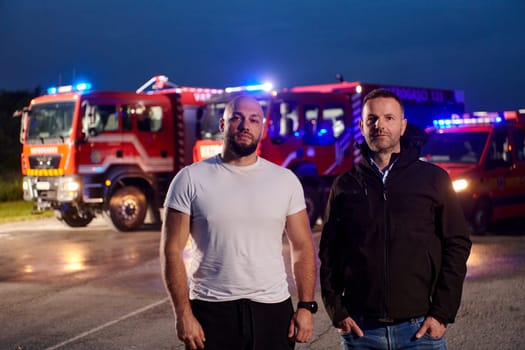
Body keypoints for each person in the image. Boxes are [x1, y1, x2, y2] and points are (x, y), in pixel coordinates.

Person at [160, 95, 317, 350]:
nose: (245, 125)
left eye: (254, 119)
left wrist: (306, 306)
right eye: (237, 118)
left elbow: (302, 246)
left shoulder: (284, 181)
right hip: (211, 312)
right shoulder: (189, 179)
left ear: (262, 129)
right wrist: (183, 315)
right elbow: (172, 251)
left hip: (273, 311)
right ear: (222, 125)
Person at [319, 89, 472, 349]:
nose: (380, 125)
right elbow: (329, 253)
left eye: (389, 118)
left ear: (402, 126)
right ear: (361, 126)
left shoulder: (434, 180)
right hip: (362, 333)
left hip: (420, 331)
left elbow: (457, 244)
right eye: (372, 119)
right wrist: (338, 311)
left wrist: (441, 313)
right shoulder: (344, 186)